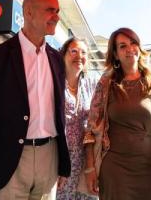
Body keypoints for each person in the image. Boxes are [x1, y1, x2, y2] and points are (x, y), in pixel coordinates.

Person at [0, 0, 71, 200]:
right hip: (6, 161)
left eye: (57, 11)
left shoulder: (57, 59)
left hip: (49, 158)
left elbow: (59, 115)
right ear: (29, 12)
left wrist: (62, 164)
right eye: (50, 10)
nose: (57, 17)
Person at [84, 27, 151, 200]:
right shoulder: (106, 84)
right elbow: (91, 129)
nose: (130, 49)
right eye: (122, 46)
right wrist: (90, 168)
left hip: (149, 169)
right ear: (115, 54)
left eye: (133, 43)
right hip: (114, 170)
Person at [57, 37, 98, 200]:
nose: (79, 56)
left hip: (84, 158)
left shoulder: (91, 83)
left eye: (83, 52)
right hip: (59, 158)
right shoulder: (55, 83)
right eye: (74, 51)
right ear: (63, 55)